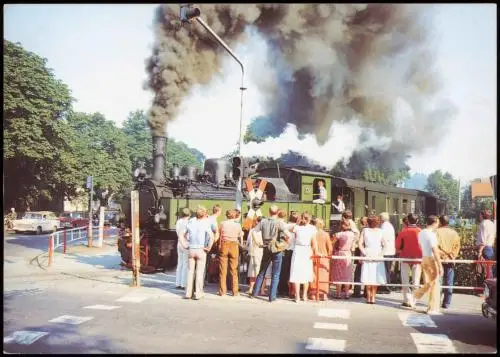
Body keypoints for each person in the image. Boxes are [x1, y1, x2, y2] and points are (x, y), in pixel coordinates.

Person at [250, 205, 292, 302]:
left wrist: (258, 243)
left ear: (269, 212)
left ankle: (254, 293)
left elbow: (253, 231)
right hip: (276, 249)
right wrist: (286, 242)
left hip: (266, 248)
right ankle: (272, 297)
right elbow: (288, 234)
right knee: (275, 274)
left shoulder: (263, 221)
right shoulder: (280, 223)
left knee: (262, 272)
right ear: (277, 212)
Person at [411, 215, 443, 315]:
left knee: (429, 283)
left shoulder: (421, 233)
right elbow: (435, 251)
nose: (438, 225)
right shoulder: (431, 234)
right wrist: (440, 265)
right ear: (434, 223)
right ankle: (432, 308)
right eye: (437, 223)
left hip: (424, 258)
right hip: (431, 259)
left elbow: (420, 246)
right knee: (434, 284)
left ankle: (417, 296)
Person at [184, 206, 214, 300]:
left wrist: (185, 244)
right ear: (204, 214)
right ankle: (198, 293)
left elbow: (183, 234)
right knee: (200, 273)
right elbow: (212, 236)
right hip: (201, 249)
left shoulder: (191, 221)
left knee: (190, 272)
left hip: (191, 248)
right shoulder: (206, 223)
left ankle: (188, 293)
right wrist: (208, 247)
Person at [395, 213, 422, 307]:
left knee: (405, 279)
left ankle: (406, 300)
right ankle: (414, 300)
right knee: (416, 280)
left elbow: (397, 246)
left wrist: (399, 250)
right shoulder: (420, 231)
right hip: (418, 258)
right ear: (417, 221)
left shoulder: (403, 231)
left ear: (408, 221)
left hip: (405, 256)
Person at [290, 212, 318, 303]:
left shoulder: (311, 228)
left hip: (304, 249)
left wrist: (314, 252)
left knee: (303, 273)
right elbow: (314, 242)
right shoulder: (298, 227)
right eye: (304, 218)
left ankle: (301, 295)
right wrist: (298, 222)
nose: (306, 220)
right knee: (299, 273)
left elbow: (314, 242)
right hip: (301, 250)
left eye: (306, 219)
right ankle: (300, 295)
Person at [359, 215, 386, 304]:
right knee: (375, 276)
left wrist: (364, 253)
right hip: (377, 254)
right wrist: (381, 254)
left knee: (368, 275)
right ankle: (373, 297)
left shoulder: (364, 230)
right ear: (377, 223)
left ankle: (369, 297)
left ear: (368, 222)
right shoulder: (381, 231)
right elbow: (385, 245)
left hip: (368, 253)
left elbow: (360, 244)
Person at [436, 215, 461, 309]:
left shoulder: (436, 232)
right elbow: (457, 247)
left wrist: (443, 255)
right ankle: (447, 303)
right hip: (450, 260)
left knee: (438, 281)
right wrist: (451, 255)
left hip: (440, 260)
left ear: (440, 222)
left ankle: (436, 301)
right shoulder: (454, 233)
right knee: (449, 282)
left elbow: (435, 247)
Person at [218, 209, 244, 297]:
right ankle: (235, 291)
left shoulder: (222, 223)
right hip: (234, 245)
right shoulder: (238, 225)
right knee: (234, 270)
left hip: (224, 245)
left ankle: (222, 291)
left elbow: (219, 235)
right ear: (234, 216)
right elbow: (240, 236)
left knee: (223, 270)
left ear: (227, 215)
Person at [309, 217, 333, 301]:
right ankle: (324, 294)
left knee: (314, 276)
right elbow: (330, 248)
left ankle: (313, 294)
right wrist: (329, 256)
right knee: (324, 276)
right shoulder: (326, 234)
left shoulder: (312, 234)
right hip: (324, 257)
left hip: (314, 257)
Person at [331, 220, 355, 299]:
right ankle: (347, 294)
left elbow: (332, 243)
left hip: (340, 253)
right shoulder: (352, 234)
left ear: (342, 226)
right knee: (347, 274)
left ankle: (338, 294)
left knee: (339, 274)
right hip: (348, 254)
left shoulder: (339, 234)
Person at [278, 210, 298, 297]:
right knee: (293, 271)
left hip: (285, 250)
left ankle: (282, 290)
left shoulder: (285, 226)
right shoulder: (297, 227)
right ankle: (292, 291)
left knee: (284, 271)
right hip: (294, 250)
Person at [246, 216, 265, 295]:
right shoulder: (265, 231)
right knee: (263, 271)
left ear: (257, 222)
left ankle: (251, 288)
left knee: (253, 271)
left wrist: (248, 250)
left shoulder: (253, 230)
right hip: (264, 252)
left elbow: (248, 242)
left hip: (255, 252)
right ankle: (262, 289)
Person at [379, 212, 396, 294]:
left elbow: (382, 239)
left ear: (381, 219)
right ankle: (386, 286)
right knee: (387, 269)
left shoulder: (384, 227)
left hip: (386, 251)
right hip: (390, 250)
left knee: (385, 269)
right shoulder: (390, 225)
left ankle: (385, 287)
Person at [476, 209, 496, 280]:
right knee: (489, 269)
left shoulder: (483, 224)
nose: (479, 216)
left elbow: (483, 240)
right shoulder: (491, 223)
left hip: (485, 249)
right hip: (490, 248)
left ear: (482, 215)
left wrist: (480, 252)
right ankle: (490, 288)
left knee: (484, 271)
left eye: (480, 215)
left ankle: (486, 289)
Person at [175, 207, 191, 290]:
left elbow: (178, 232)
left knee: (180, 263)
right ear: (189, 214)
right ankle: (183, 284)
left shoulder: (179, 221)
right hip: (186, 243)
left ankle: (177, 282)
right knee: (185, 263)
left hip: (179, 242)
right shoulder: (189, 222)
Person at [205, 205, 222, 284]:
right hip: (210, 242)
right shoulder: (213, 220)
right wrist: (215, 242)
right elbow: (215, 232)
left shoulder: (209, 218)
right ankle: (207, 278)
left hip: (207, 241)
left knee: (207, 261)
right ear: (218, 211)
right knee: (208, 261)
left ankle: (206, 278)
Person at [352, 215, 367, 298]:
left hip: (361, 254)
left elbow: (360, 244)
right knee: (367, 273)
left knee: (358, 273)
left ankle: (357, 291)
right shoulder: (369, 230)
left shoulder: (363, 231)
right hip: (366, 254)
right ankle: (366, 292)